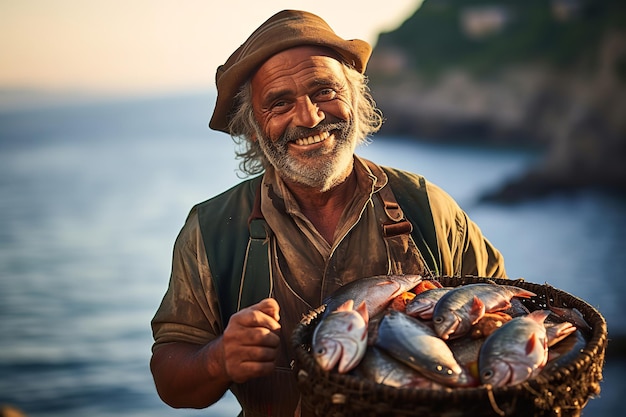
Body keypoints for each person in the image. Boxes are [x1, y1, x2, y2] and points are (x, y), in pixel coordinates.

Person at [150, 9, 506, 417]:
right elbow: (170, 380)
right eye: (280, 103)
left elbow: (508, 311)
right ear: (252, 127)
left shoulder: (426, 206)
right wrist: (217, 359)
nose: (310, 117)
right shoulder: (212, 230)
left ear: (355, 98)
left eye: (324, 91)